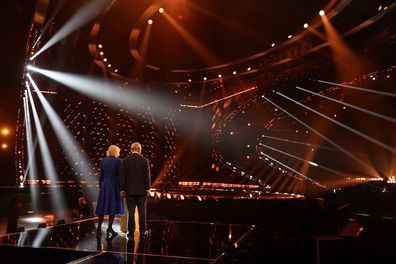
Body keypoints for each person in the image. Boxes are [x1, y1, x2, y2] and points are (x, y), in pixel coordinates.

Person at [120, 142, 151, 240]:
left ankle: (131, 231)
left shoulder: (125, 161)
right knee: (142, 211)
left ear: (131, 149)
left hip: (129, 191)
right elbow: (147, 176)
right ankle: (143, 231)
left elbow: (122, 176)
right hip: (142, 191)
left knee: (131, 212)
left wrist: (122, 189)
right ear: (139, 149)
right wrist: (148, 189)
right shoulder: (144, 160)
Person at [95, 145, 124, 240]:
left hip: (104, 184)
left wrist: (101, 185)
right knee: (113, 206)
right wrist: (122, 187)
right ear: (116, 152)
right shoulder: (119, 161)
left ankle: (99, 228)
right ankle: (110, 228)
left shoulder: (103, 160)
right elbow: (120, 175)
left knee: (102, 206)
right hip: (114, 185)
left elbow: (101, 175)